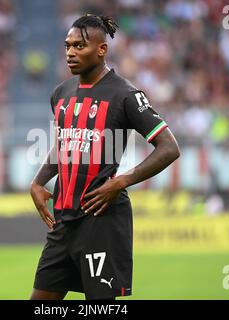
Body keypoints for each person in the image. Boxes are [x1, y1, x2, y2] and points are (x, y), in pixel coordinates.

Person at [29, 14, 180, 300]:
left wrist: (121, 181)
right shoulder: (61, 94)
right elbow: (65, 142)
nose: (71, 52)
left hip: (102, 219)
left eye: (80, 46)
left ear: (102, 50)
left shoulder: (126, 95)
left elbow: (169, 147)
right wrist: (38, 182)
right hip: (63, 221)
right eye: (68, 45)